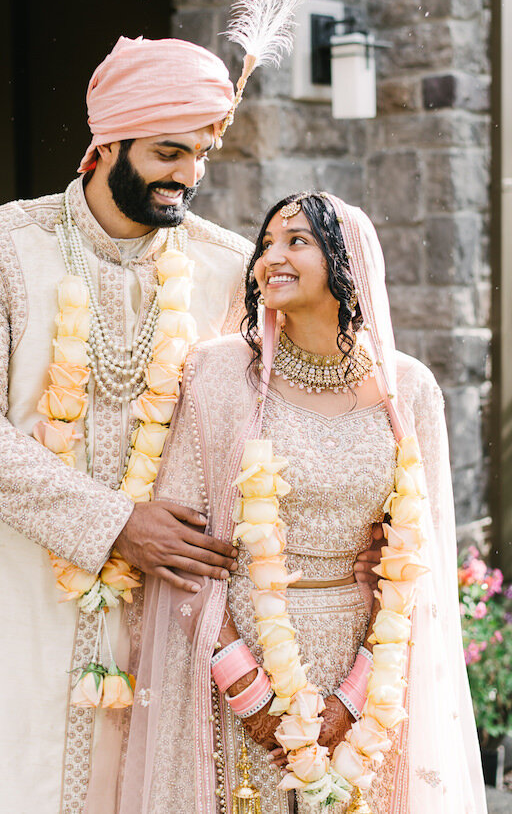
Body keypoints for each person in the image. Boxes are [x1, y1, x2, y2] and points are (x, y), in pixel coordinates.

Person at [0, 36, 256, 813]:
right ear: (105, 143)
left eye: (202, 153)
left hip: (168, 600)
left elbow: (260, 426)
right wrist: (112, 522)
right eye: (169, 151)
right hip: (16, 590)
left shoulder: (229, 266)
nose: (188, 174)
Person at [119, 192, 485, 813]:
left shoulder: (410, 391)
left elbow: (414, 565)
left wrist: (356, 698)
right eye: (266, 243)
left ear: (348, 264)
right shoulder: (219, 376)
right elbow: (182, 552)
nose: (270, 258)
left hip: (367, 666)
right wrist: (250, 694)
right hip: (234, 649)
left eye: (297, 241)